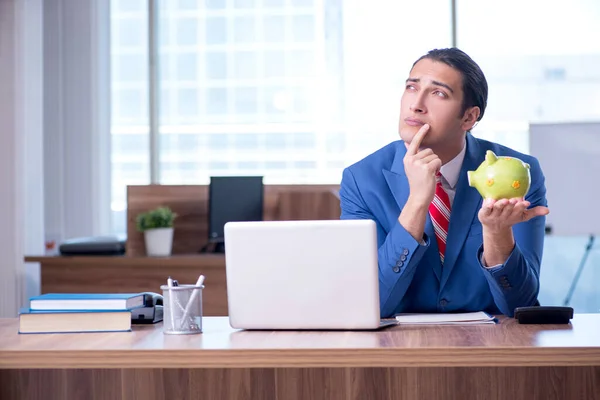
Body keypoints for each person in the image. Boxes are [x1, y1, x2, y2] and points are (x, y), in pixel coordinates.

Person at [339, 48, 550, 318]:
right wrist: (417, 203)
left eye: (438, 93)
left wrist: (498, 234)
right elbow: (370, 304)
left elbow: (520, 305)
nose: (416, 104)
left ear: (469, 117)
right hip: (396, 349)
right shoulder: (361, 179)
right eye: (412, 87)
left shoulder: (520, 173)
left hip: (493, 347)